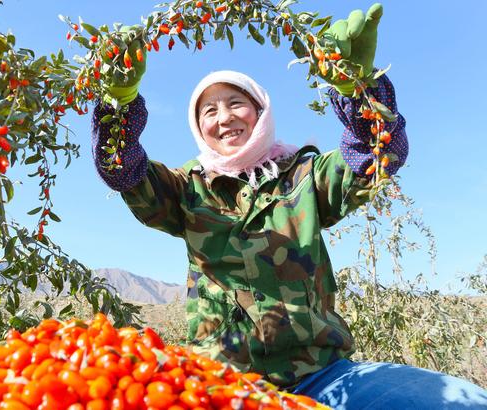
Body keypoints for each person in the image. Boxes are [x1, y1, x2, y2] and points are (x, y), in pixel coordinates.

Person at [91, 3, 487, 409]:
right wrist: (118, 106)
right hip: (222, 384)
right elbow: (125, 173)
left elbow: (377, 156)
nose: (224, 117)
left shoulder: (304, 175)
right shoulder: (186, 189)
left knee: (463, 401)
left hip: (321, 375)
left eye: (236, 103)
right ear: (199, 128)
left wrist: (360, 90)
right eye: (209, 110)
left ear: (261, 111)